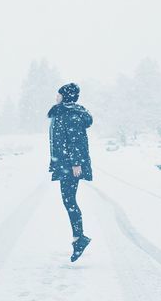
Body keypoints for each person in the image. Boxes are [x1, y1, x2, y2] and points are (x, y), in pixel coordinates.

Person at [48, 82, 93, 262]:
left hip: (70, 165)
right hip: (65, 163)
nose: (56, 96)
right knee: (69, 200)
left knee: (69, 200)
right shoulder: (63, 113)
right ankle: (78, 238)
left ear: (65, 96)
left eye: (58, 94)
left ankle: (79, 238)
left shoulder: (70, 114)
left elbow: (74, 140)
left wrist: (76, 163)